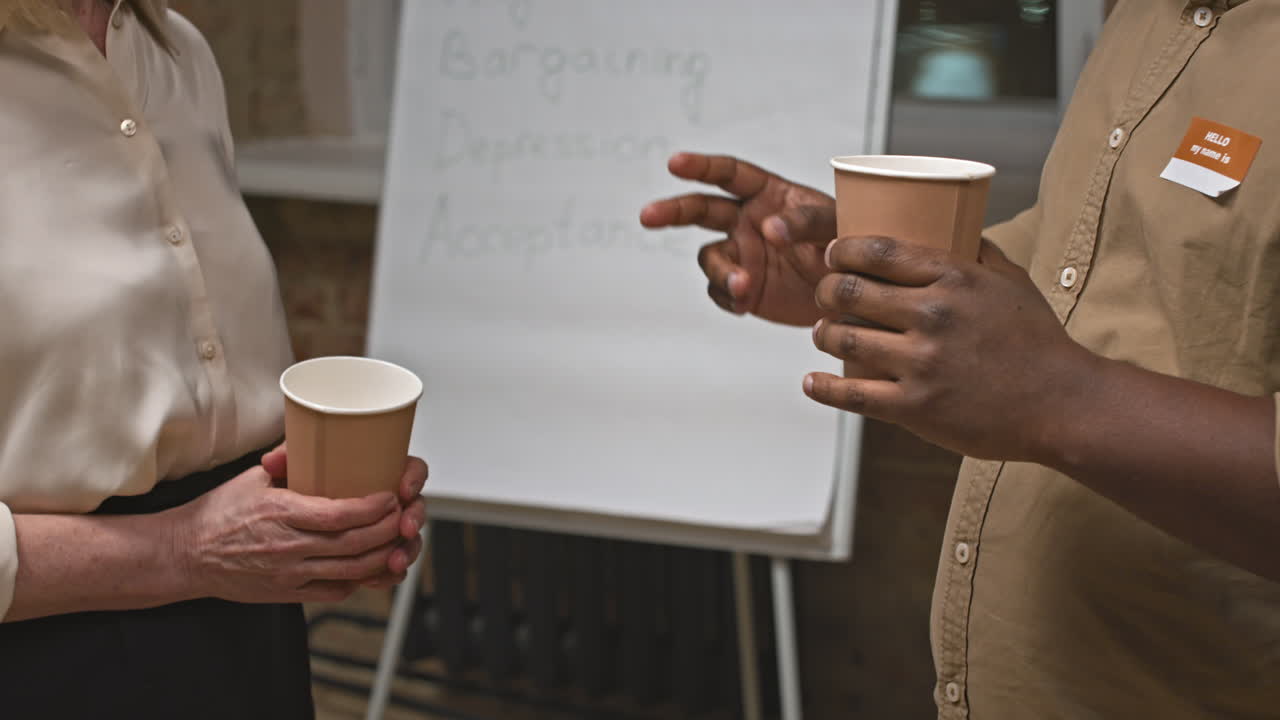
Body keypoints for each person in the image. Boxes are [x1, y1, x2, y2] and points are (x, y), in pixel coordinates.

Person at [642, 1, 1280, 717]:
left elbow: (1061, 375)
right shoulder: (1142, 16)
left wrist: (1059, 396)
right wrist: (862, 280)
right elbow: (1086, 261)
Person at [0, 1, 427, 717]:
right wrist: (186, 549)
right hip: (47, 656)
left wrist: (322, 518)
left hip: (243, 627)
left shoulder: (179, 51)